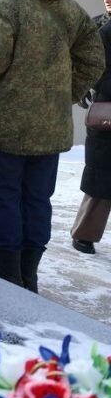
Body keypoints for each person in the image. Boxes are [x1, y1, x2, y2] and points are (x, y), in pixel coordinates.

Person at [0, 0, 103, 293]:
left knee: (3, 196)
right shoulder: (70, 8)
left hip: (3, 127)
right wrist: (64, 95)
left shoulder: (3, 6)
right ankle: (30, 273)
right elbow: (93, 59)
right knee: (36, 199)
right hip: (49, 130)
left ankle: (10, 272)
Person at [72, 20, 111, 255]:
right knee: (100, 184)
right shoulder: (106, 32)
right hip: (107, 120)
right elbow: (97, 71)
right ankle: (84, 235)